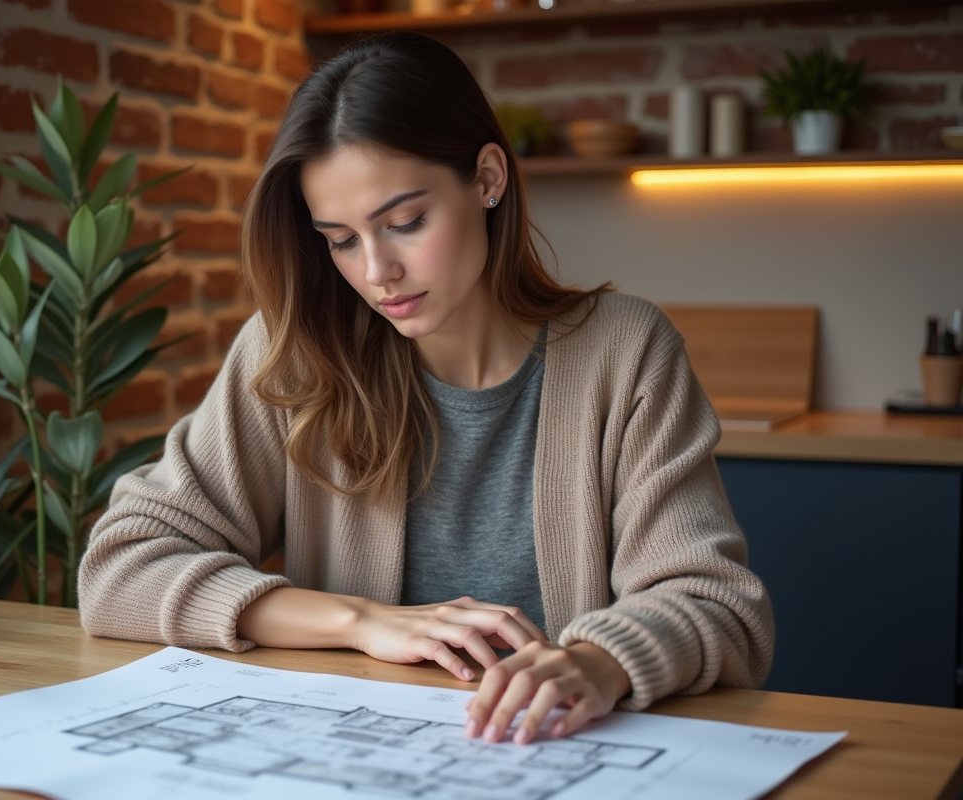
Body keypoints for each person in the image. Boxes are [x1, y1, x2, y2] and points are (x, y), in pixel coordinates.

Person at [78, 31, 774, 747]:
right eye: (341, 239)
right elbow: (120, 568)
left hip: (553, 755)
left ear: (488, 179)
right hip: (361, 762)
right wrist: (359, 620)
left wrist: (598, 662)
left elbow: (718, 606)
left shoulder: (625, 351)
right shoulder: (298, 352)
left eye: (405, 222)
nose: (377, 270)